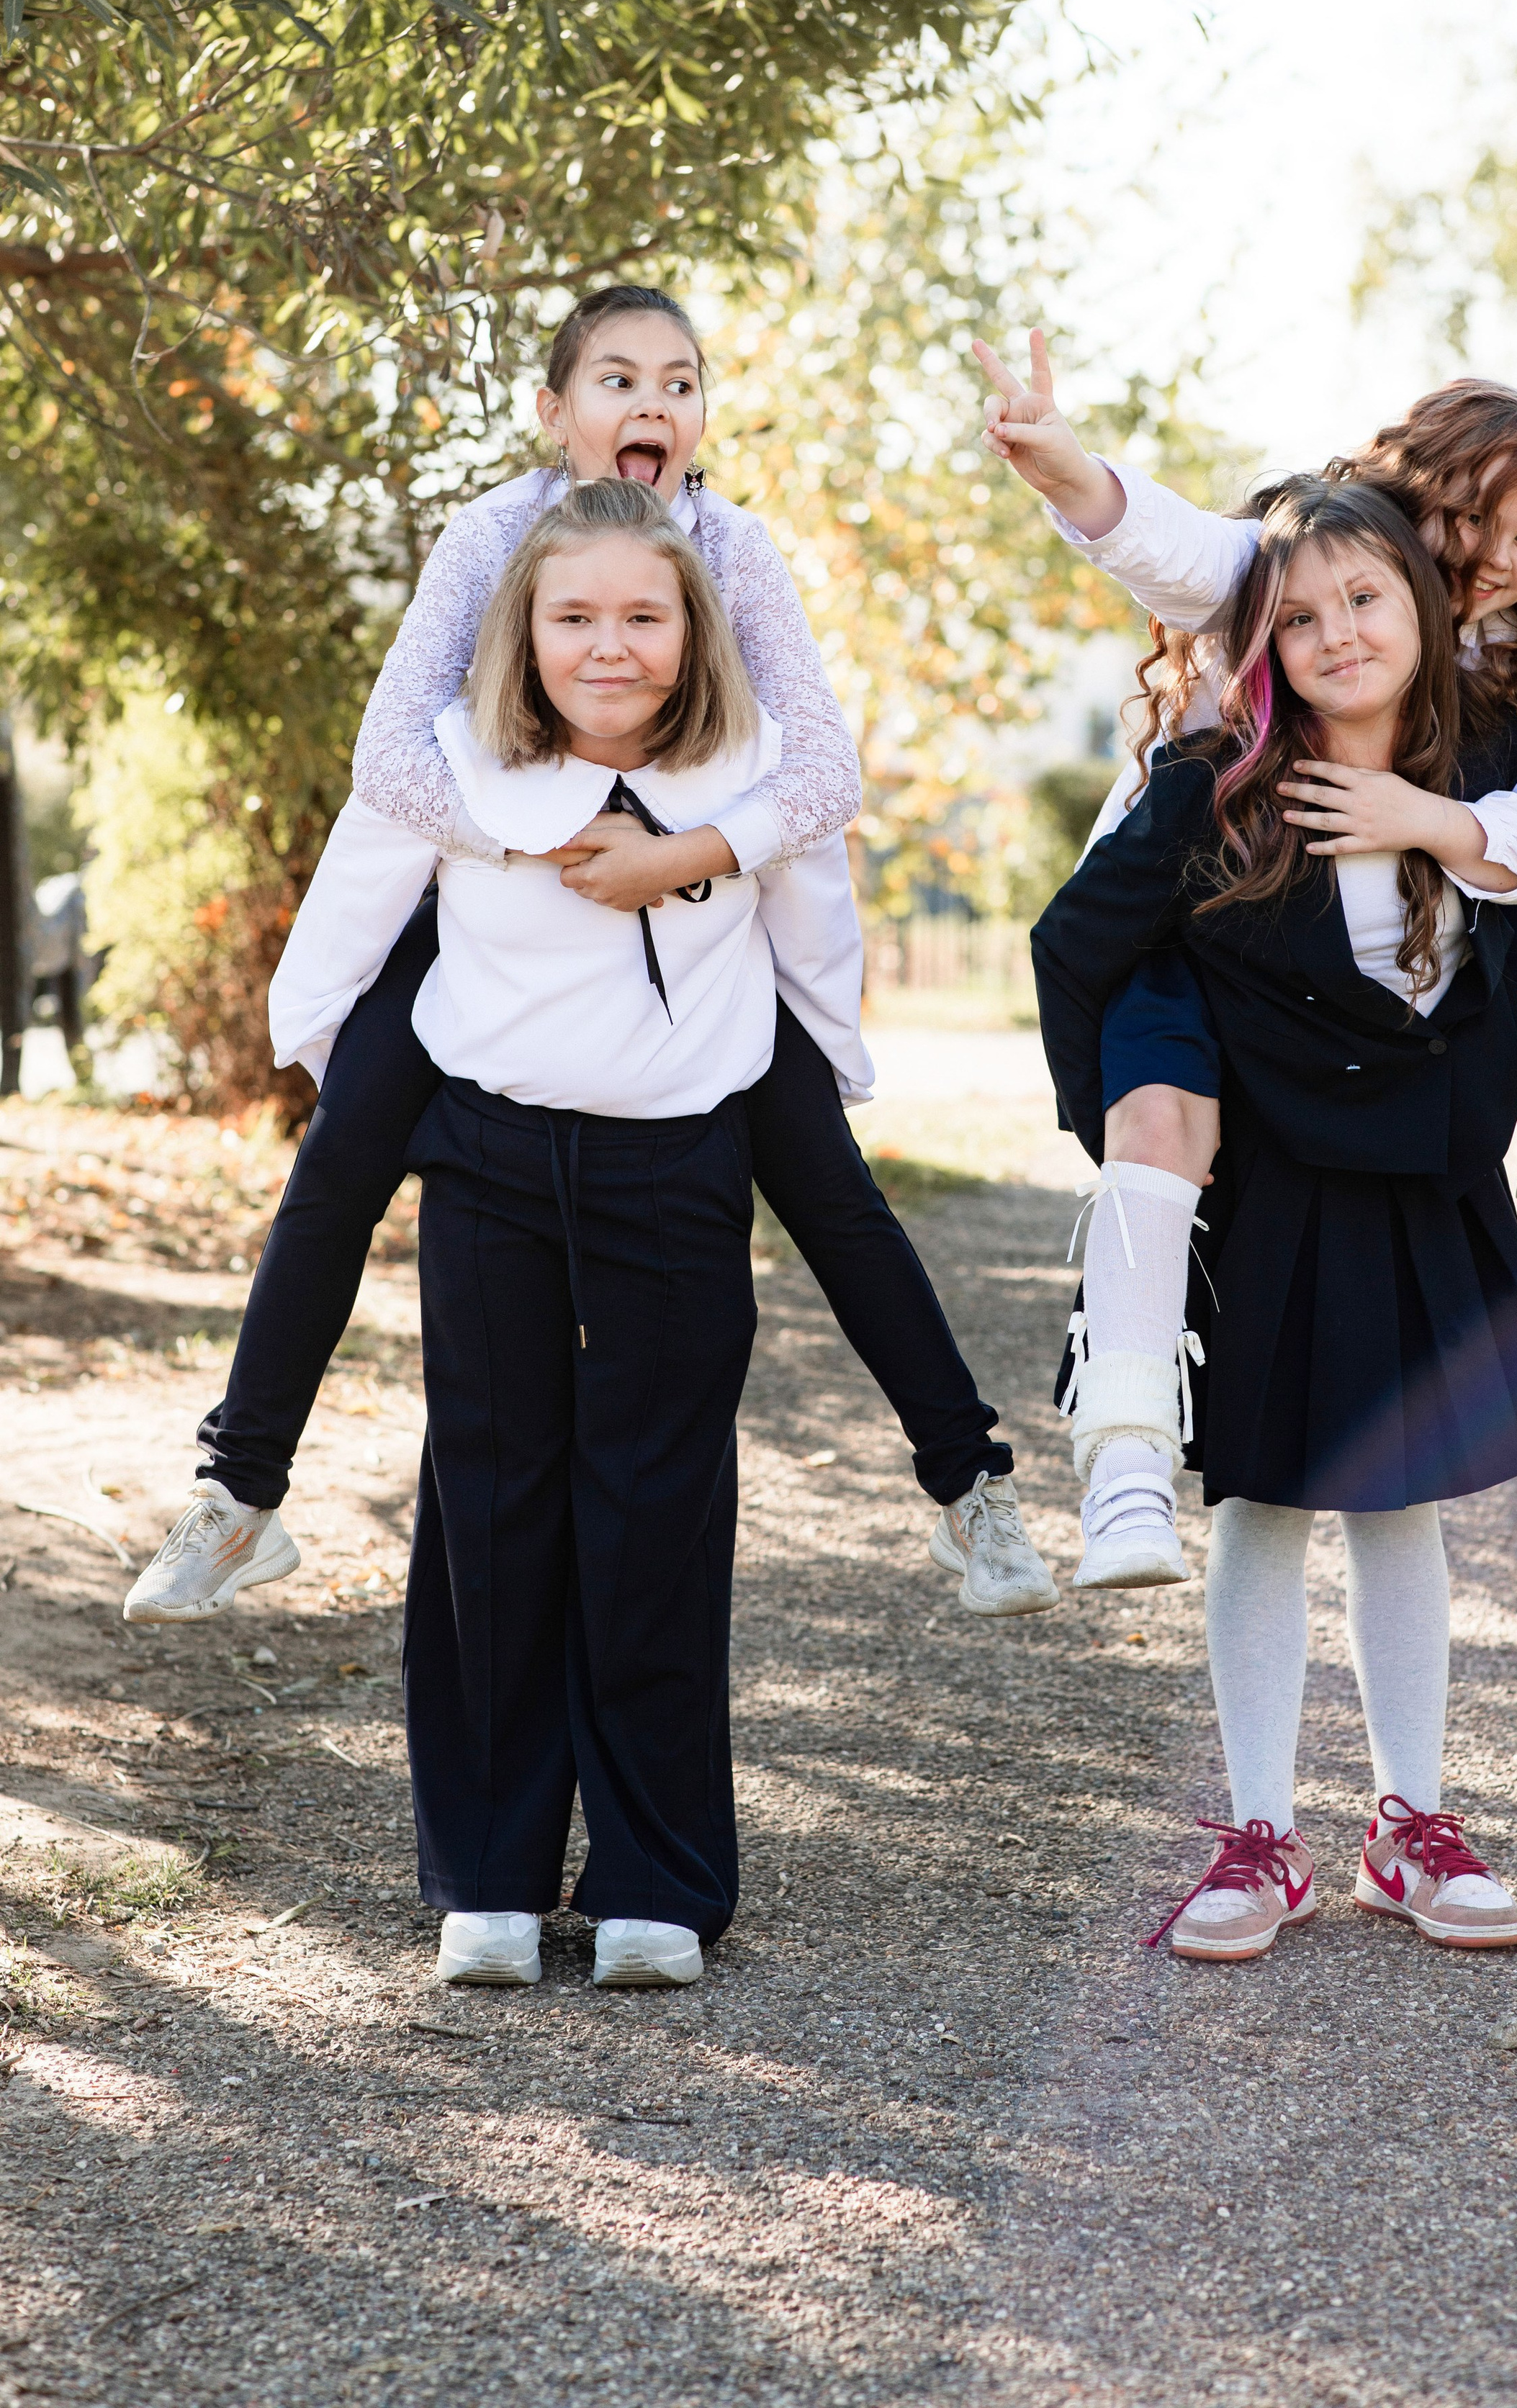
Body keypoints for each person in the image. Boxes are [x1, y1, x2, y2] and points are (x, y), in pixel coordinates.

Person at [125, 287, 1055, 1631]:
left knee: (828, 1188)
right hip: (485, 917)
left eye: (680, 383)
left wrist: (672, 856)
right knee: (339, 1162)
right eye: (617, 380)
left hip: (696, 924)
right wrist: (554, 835)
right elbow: (391, 758)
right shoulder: (496, 537)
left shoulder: (733, 554)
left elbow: (823, 770)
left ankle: (971, 1488)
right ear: (556, 414)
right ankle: (239, 1492)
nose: (653, 406)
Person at [265, 479, 865, 1987]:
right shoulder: (459, 757)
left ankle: (659, 1873)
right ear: (522, 628)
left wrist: (820, 1044)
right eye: (576, 617)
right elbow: (369, 846)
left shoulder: (749, 760)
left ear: (690, 625)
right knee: (489, 1494)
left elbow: (818, 868)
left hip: (676, 1150)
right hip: (490, 1147)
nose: (610, 642)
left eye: (643, 617)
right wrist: (326, 1047)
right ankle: (491, 1867)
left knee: (657, 1505)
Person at [1032, 476, 1517, 1961]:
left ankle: (1408, 1826)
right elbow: (1072, 945)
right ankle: (1258, 1832)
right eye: (1298, 614)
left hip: (1416, 1182)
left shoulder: (1476, 783)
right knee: (1267, 1508)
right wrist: (1122, 1132)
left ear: (1425, 604)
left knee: (1396, 1502)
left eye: (1366, 599)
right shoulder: (1210, 782)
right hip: (1270, 1183)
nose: (1337, 632)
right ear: (1257, 641)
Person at [977, 334, 1517, 1468]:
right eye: (1473, 519)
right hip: (1218, 911)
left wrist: (1424, 819)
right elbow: (1177, 550)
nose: (1499, 557)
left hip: (1411, 918)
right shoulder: (1314, 563)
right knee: (1169, 1122)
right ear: (1407, 496)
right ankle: (1124, 1438)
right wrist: (1070, 469)